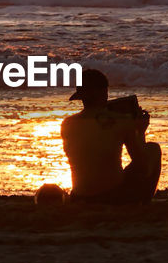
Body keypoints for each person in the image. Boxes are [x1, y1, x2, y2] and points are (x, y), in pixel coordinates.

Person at [61, 69, 161, 204]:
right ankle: (142, 203)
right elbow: (142, 164)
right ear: (104, 92)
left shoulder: (67, 123)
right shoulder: (121, 120)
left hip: (79, 197)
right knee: (153, 149)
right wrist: (140, 131)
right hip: (111, 196)